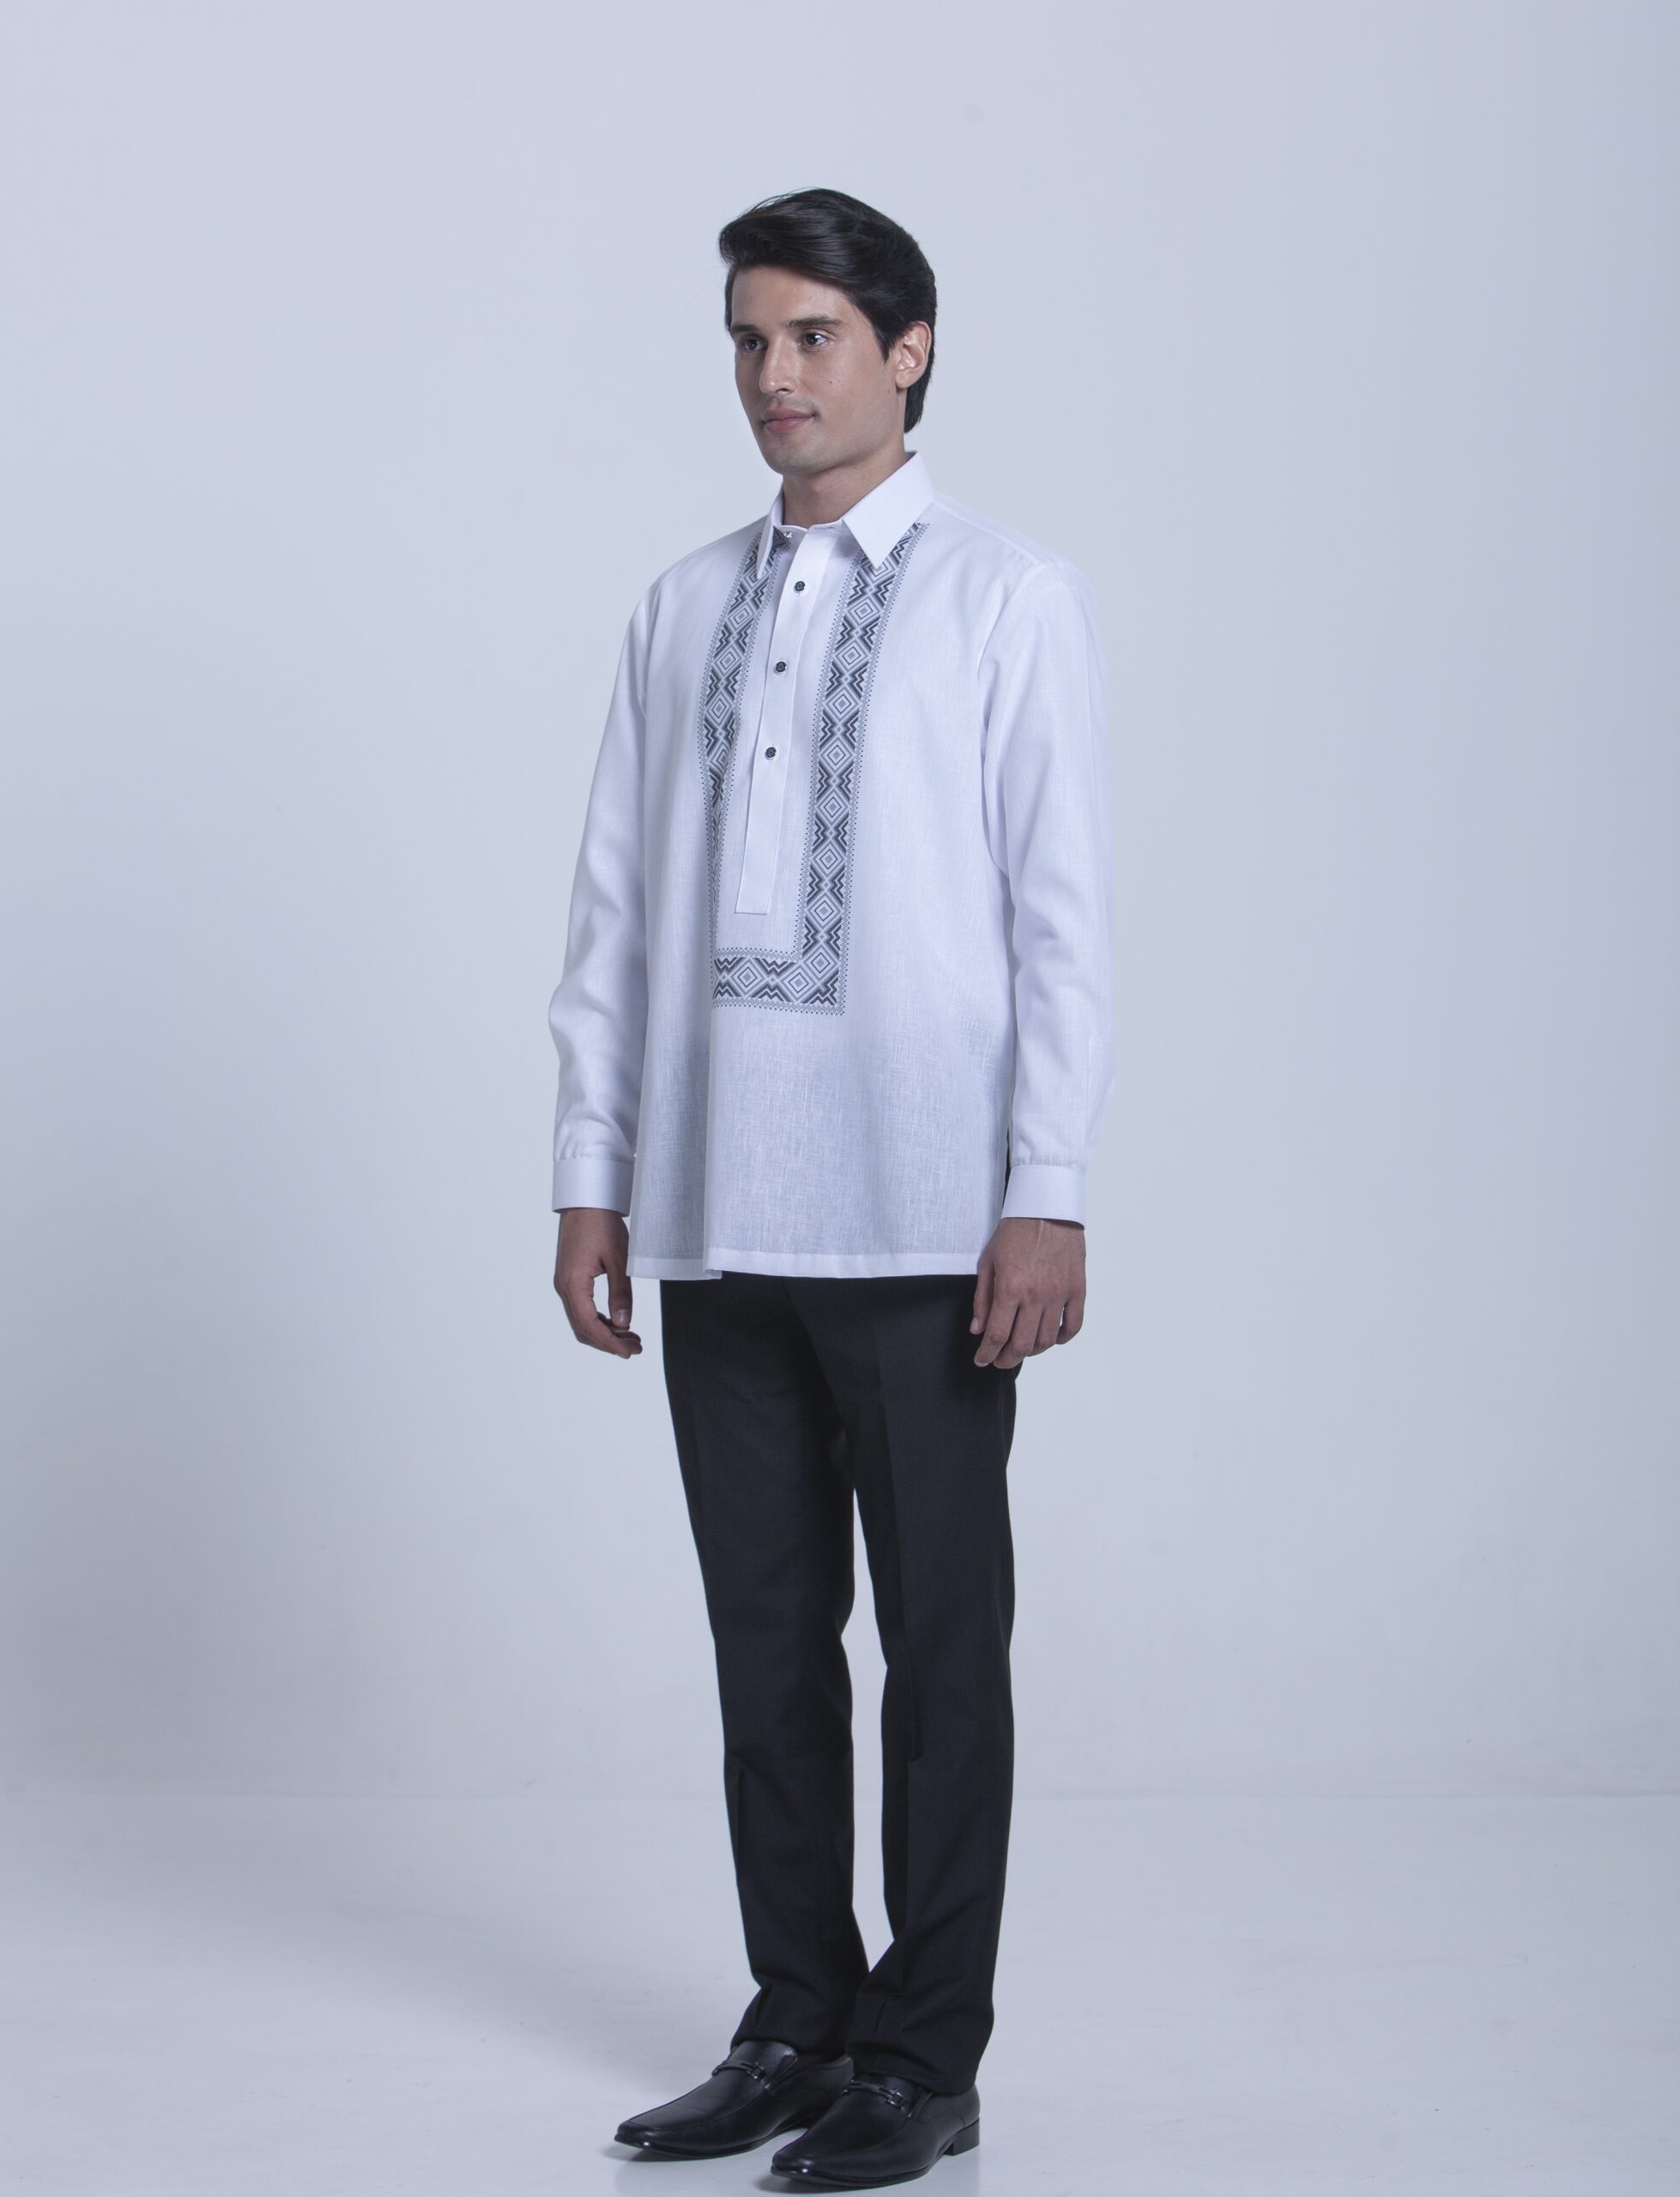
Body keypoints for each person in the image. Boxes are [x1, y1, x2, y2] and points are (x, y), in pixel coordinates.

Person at [546, 185, 1115, 2189]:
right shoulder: (678, 604)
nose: (773, 374)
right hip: (715, 1212)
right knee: (765, 1648)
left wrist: (1044, 1185)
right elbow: (614, 907)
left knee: (943, 1656)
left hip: (927, 1217)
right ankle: (794, 2015)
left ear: (907, 349)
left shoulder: (1005, 597)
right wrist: (593, 1171)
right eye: (748, 339)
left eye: (811, 335)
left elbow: (1060, 919)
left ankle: (922, 2056)